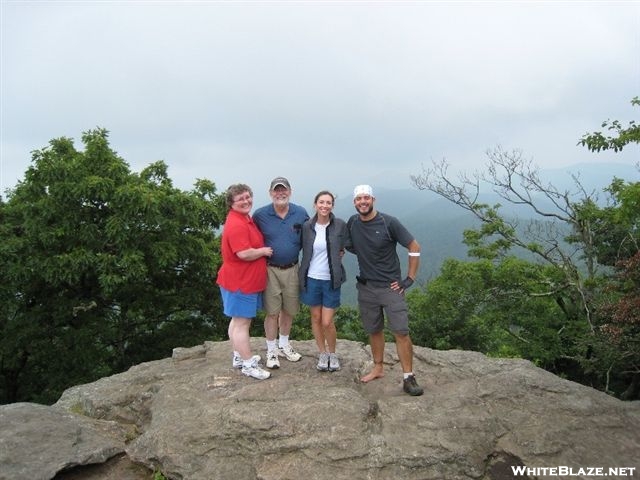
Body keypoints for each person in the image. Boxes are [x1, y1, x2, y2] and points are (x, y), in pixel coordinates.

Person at [346, 184, 424, 396]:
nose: (363, 202)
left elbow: (414, 246)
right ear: (354, 202)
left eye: (366, 198)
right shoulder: (353, 222)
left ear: (373, 200)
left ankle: (408, 377)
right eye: (359, 199)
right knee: (374, 330)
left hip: (391, 288)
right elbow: (349, 244)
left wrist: (409, 279)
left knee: (401, 331)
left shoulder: (388, 222)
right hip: (366, 287)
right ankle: (378, 367)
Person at [216, 184, 273, 380]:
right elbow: (243, 253)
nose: (246, 201)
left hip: (238, 280)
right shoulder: (237, 224)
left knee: (236, 321)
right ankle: (248, 364)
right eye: (240, 199)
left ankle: (239, 356)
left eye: (248, 197)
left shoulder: (243, 218)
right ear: (231, 203)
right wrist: (263, 251)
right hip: (241, 281)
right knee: (242, 323)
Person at [253, 177, 309, 369]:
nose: (280, 193)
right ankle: (271, 350)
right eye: (276, 190)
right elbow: (251, 238)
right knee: (271, 312)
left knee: (289, 310)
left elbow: (312, 237)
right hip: (270, 269)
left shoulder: (300, 213)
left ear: (290, 191)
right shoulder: (260, 215)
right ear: (270, 193)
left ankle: (284, 344)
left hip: (293, 268)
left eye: (283, 190)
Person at [299, 191, 348, 372]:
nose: (325, 206)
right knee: (316, 318)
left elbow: (346, 244)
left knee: (327, 321)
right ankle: (322, 353)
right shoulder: (307, 226)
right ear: (315, 204)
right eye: (321, 202)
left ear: (332, 206)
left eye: (328, 203)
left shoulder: (340, 225)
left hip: (331, 279)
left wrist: (340, 252)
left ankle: (333, 353)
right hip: (311, 278)